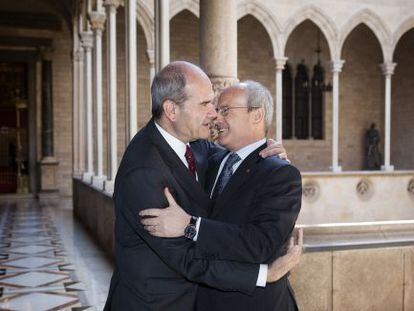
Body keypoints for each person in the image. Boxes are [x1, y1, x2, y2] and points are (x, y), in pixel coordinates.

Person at [104, 62, 301, 311]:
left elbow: (239, 158)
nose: (214, 114)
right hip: (155, 303)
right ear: (171, 110)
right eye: (206, 104)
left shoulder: (196, 149)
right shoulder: (144, 170)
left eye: (220, 107)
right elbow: (186, 257)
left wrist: (265, 147)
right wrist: (265, 275)